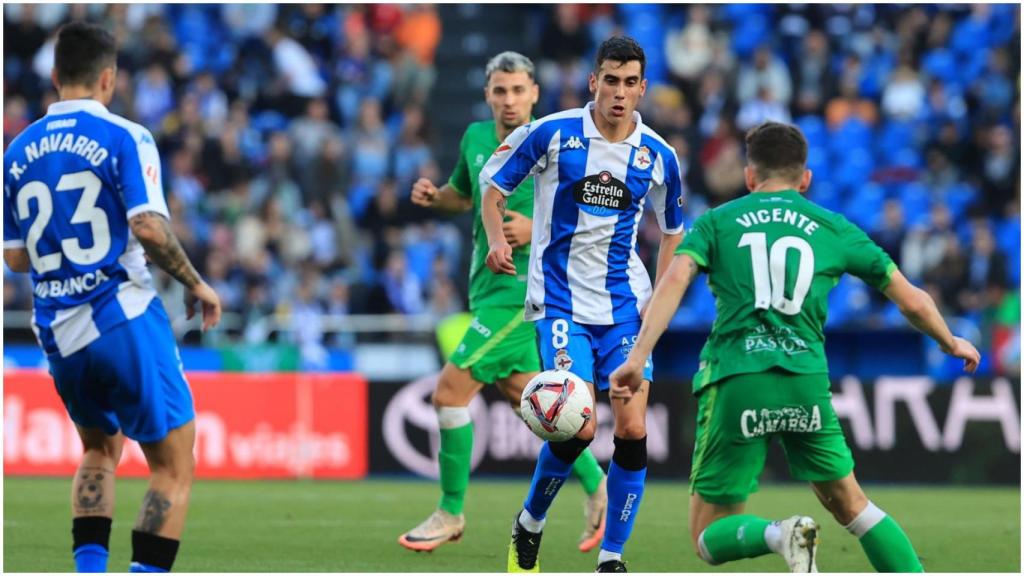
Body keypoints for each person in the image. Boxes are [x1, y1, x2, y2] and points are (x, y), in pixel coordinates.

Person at [610, 121, 981, 573]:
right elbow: (912, 299)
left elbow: (672, 282)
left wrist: (638, 356)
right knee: (855, 507)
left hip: (738, 379)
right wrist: (950, 340)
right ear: (804, 179)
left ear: (750, 176)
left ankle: (778, 534)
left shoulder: (716, 222)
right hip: (806, 382)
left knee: (706, 539)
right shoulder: (833, 227)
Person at [3, 22, 222, 573]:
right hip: (120, 315)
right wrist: (195, 281)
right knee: (173, 466)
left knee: (99, 452)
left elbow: (16, 257)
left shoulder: (17, 150)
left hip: (58, 330)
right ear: (109, 77)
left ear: (54, 77)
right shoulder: (126, 136)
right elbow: (147, 226)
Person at [481, 36, 685, 573]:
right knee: (578, 427)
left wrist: (659, 300)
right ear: (594, 81)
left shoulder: (659, 156)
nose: (619, 93)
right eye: (610, 81)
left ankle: (612, 557)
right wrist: (498, 241)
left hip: (624, 308)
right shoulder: (553, 133)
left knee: (634, 428)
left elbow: (672, 233)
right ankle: (530, 522)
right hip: (560, 302)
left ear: (642, 88)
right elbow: (493, 187)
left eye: (629, 83)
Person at [399, 51, 609, 554]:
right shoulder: (475, 137)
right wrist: (437, 198)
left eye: (518, 90)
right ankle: (599, 487)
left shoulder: (558, 141)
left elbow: (593, 214)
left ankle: (450, 512)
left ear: (535, 93)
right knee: (529, 399)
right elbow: (464, 194)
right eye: (500, 90)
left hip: (524, 294)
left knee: (449, 394)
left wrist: (536, 228)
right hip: (487, 288)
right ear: (488, 94)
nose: (509, 100)